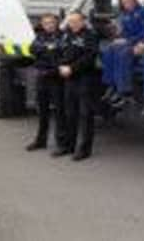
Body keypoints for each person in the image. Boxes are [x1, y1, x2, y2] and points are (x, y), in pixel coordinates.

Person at [57, 11, 99, 161]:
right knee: (70, 113)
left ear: (83, 21)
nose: (73, 23)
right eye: (70, 21)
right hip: (69, 78)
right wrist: (61, 66)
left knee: (85, 114)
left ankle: (84, 150)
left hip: (85, 78)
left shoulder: (90, 35)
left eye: (76, 21)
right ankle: (69, 146)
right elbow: (60, 52)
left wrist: (72, 68)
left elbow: (90, 56)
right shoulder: (66, 35)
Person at [100, 0, 144, 107]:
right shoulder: (125, 15)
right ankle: (111, 86)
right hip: (127, 41)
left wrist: (127, 40)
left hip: (140, 42)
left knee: (122, 54)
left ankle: (124, 92)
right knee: (108, 50)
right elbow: (124, 32)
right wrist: (118, 38)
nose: (127, 4)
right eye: (125, 2)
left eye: (129, 1)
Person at [26, 14, 66, 152]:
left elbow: (60, 53)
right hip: (42, 77)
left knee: (60, 111)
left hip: (56, 78)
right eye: (46, 23)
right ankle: (40, 141)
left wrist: (46, 50)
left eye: (52, 22)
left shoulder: (63, 36)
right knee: (42, 111)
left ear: (57, 23)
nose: (49, 25)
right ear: (42, 25)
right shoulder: (40, 36)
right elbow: (32, 49)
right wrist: (48, 49)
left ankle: (61, 143)